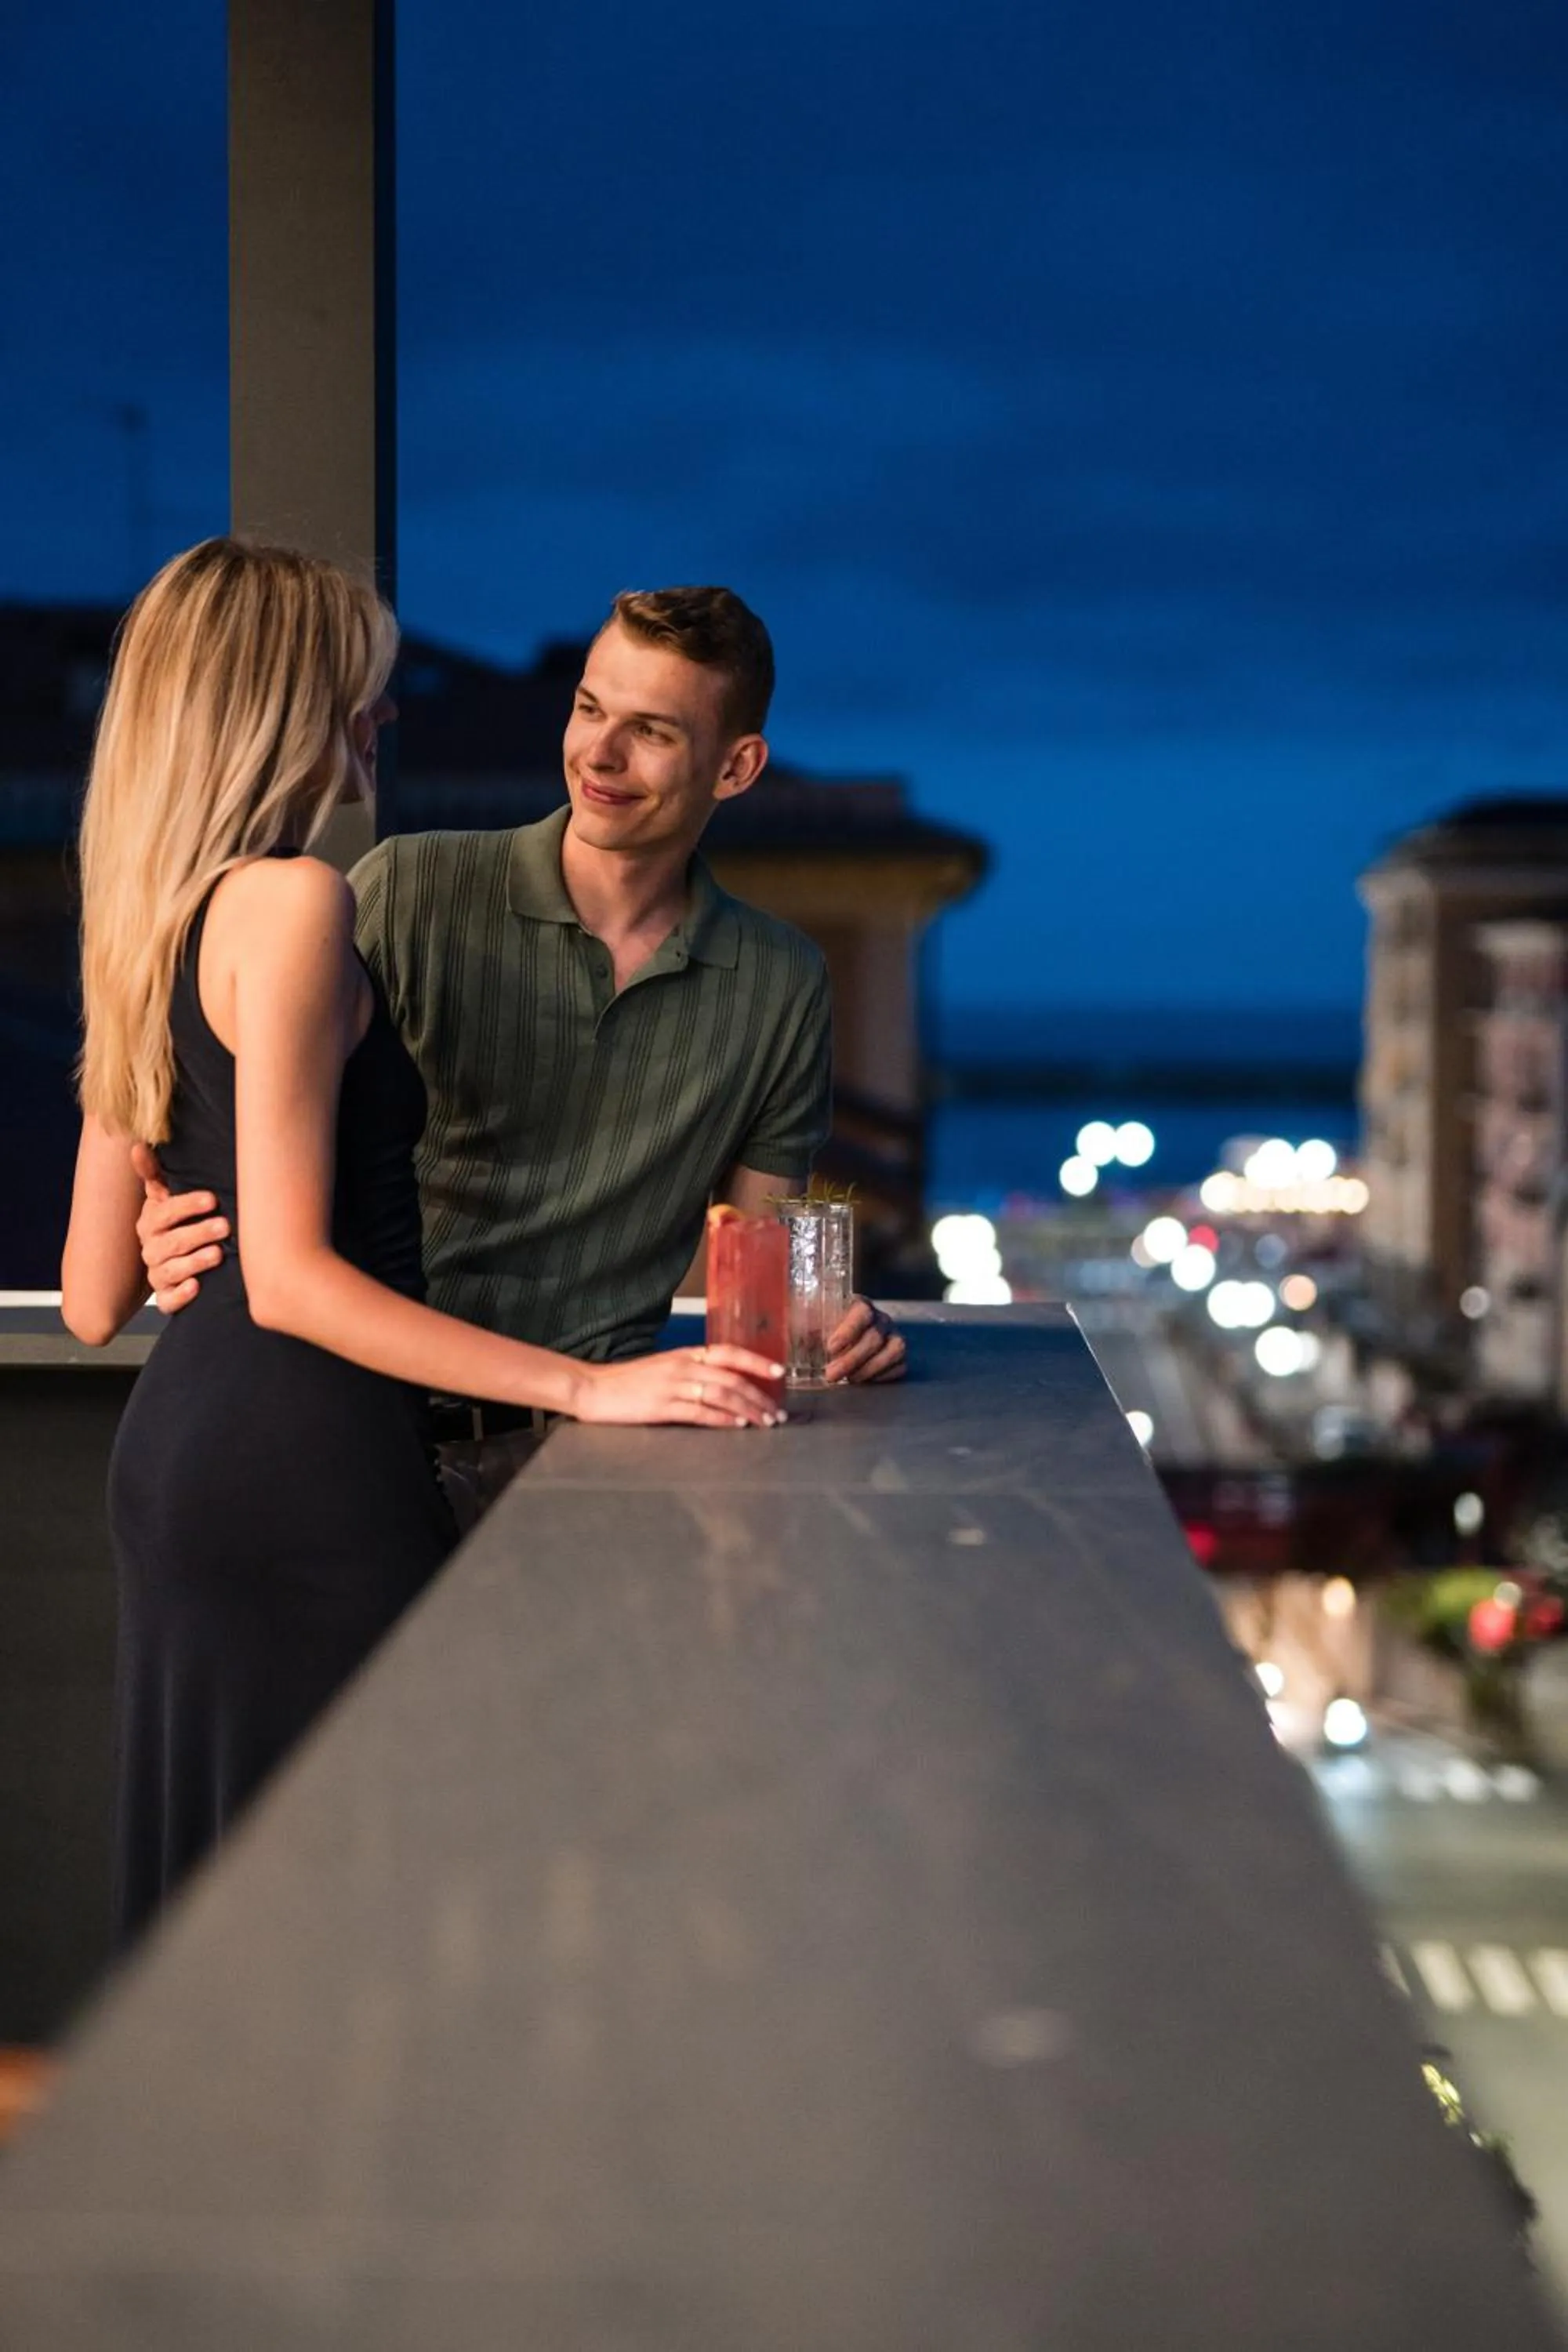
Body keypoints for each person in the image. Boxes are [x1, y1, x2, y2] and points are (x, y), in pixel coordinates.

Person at [60, 539, 785, 1945]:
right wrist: (589, 1385)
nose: (381, 718)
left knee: (224, 1912)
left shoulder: (149, 909)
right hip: (309, 1466)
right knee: (359, 1907)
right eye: (358, 692)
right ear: (284, 703)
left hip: (177, 1468)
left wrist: (167, 1209)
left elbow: (94, 1295)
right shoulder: (292, 901)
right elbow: (291, 1278)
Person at [138, 583, 906, 1515]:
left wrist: (830, 1322)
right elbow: (258, 1124)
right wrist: (177, 1218)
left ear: (736, 768)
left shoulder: (784, 982)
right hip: (362, 1432)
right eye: (588, 709)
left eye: (653, 732)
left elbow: (757, 1268)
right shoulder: (405, 890)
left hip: (594, 1461)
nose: (599, 754)